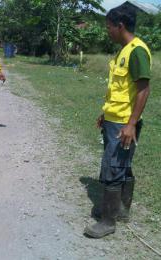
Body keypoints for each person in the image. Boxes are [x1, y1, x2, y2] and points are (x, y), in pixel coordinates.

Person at [84, 5, 152, 239]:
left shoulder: (137, 51)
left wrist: (131, 124)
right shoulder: (123, 51)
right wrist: (106, 114)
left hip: (124, 123)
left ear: (120, 26)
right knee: (121, 164)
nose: (107, 31)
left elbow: (143, 89)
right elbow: (120, 90)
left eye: (109, 27)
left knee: (113, 167)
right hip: (115, 119)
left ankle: (108, 221)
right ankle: (120, 209)